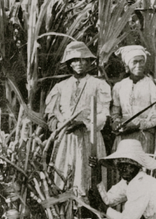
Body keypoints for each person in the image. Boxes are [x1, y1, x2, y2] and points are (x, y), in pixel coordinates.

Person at [45, 41, 111, 196]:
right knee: (65, 175)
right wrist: (60, 125)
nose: (79, 63)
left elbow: (104, 114)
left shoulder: (98, 84)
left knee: (89, 176)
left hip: (90, 137)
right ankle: (69, 212)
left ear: (89, 62)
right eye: (74, 60)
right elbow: (51, 115)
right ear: (69, 64)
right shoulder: (61, 87)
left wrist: (85, 124)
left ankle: (89, 212)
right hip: (66, 139)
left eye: (83, 60)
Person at [111, 45, 156, 154]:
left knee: (143, 167)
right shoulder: (119, 86)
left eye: (141, 61)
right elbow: (115, 112)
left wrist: (138, 125)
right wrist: (116, 123)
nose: (139, 65)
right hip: (124, 136)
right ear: (127, 65)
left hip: (145, 136)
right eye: (135, 62)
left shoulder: (153, 84)